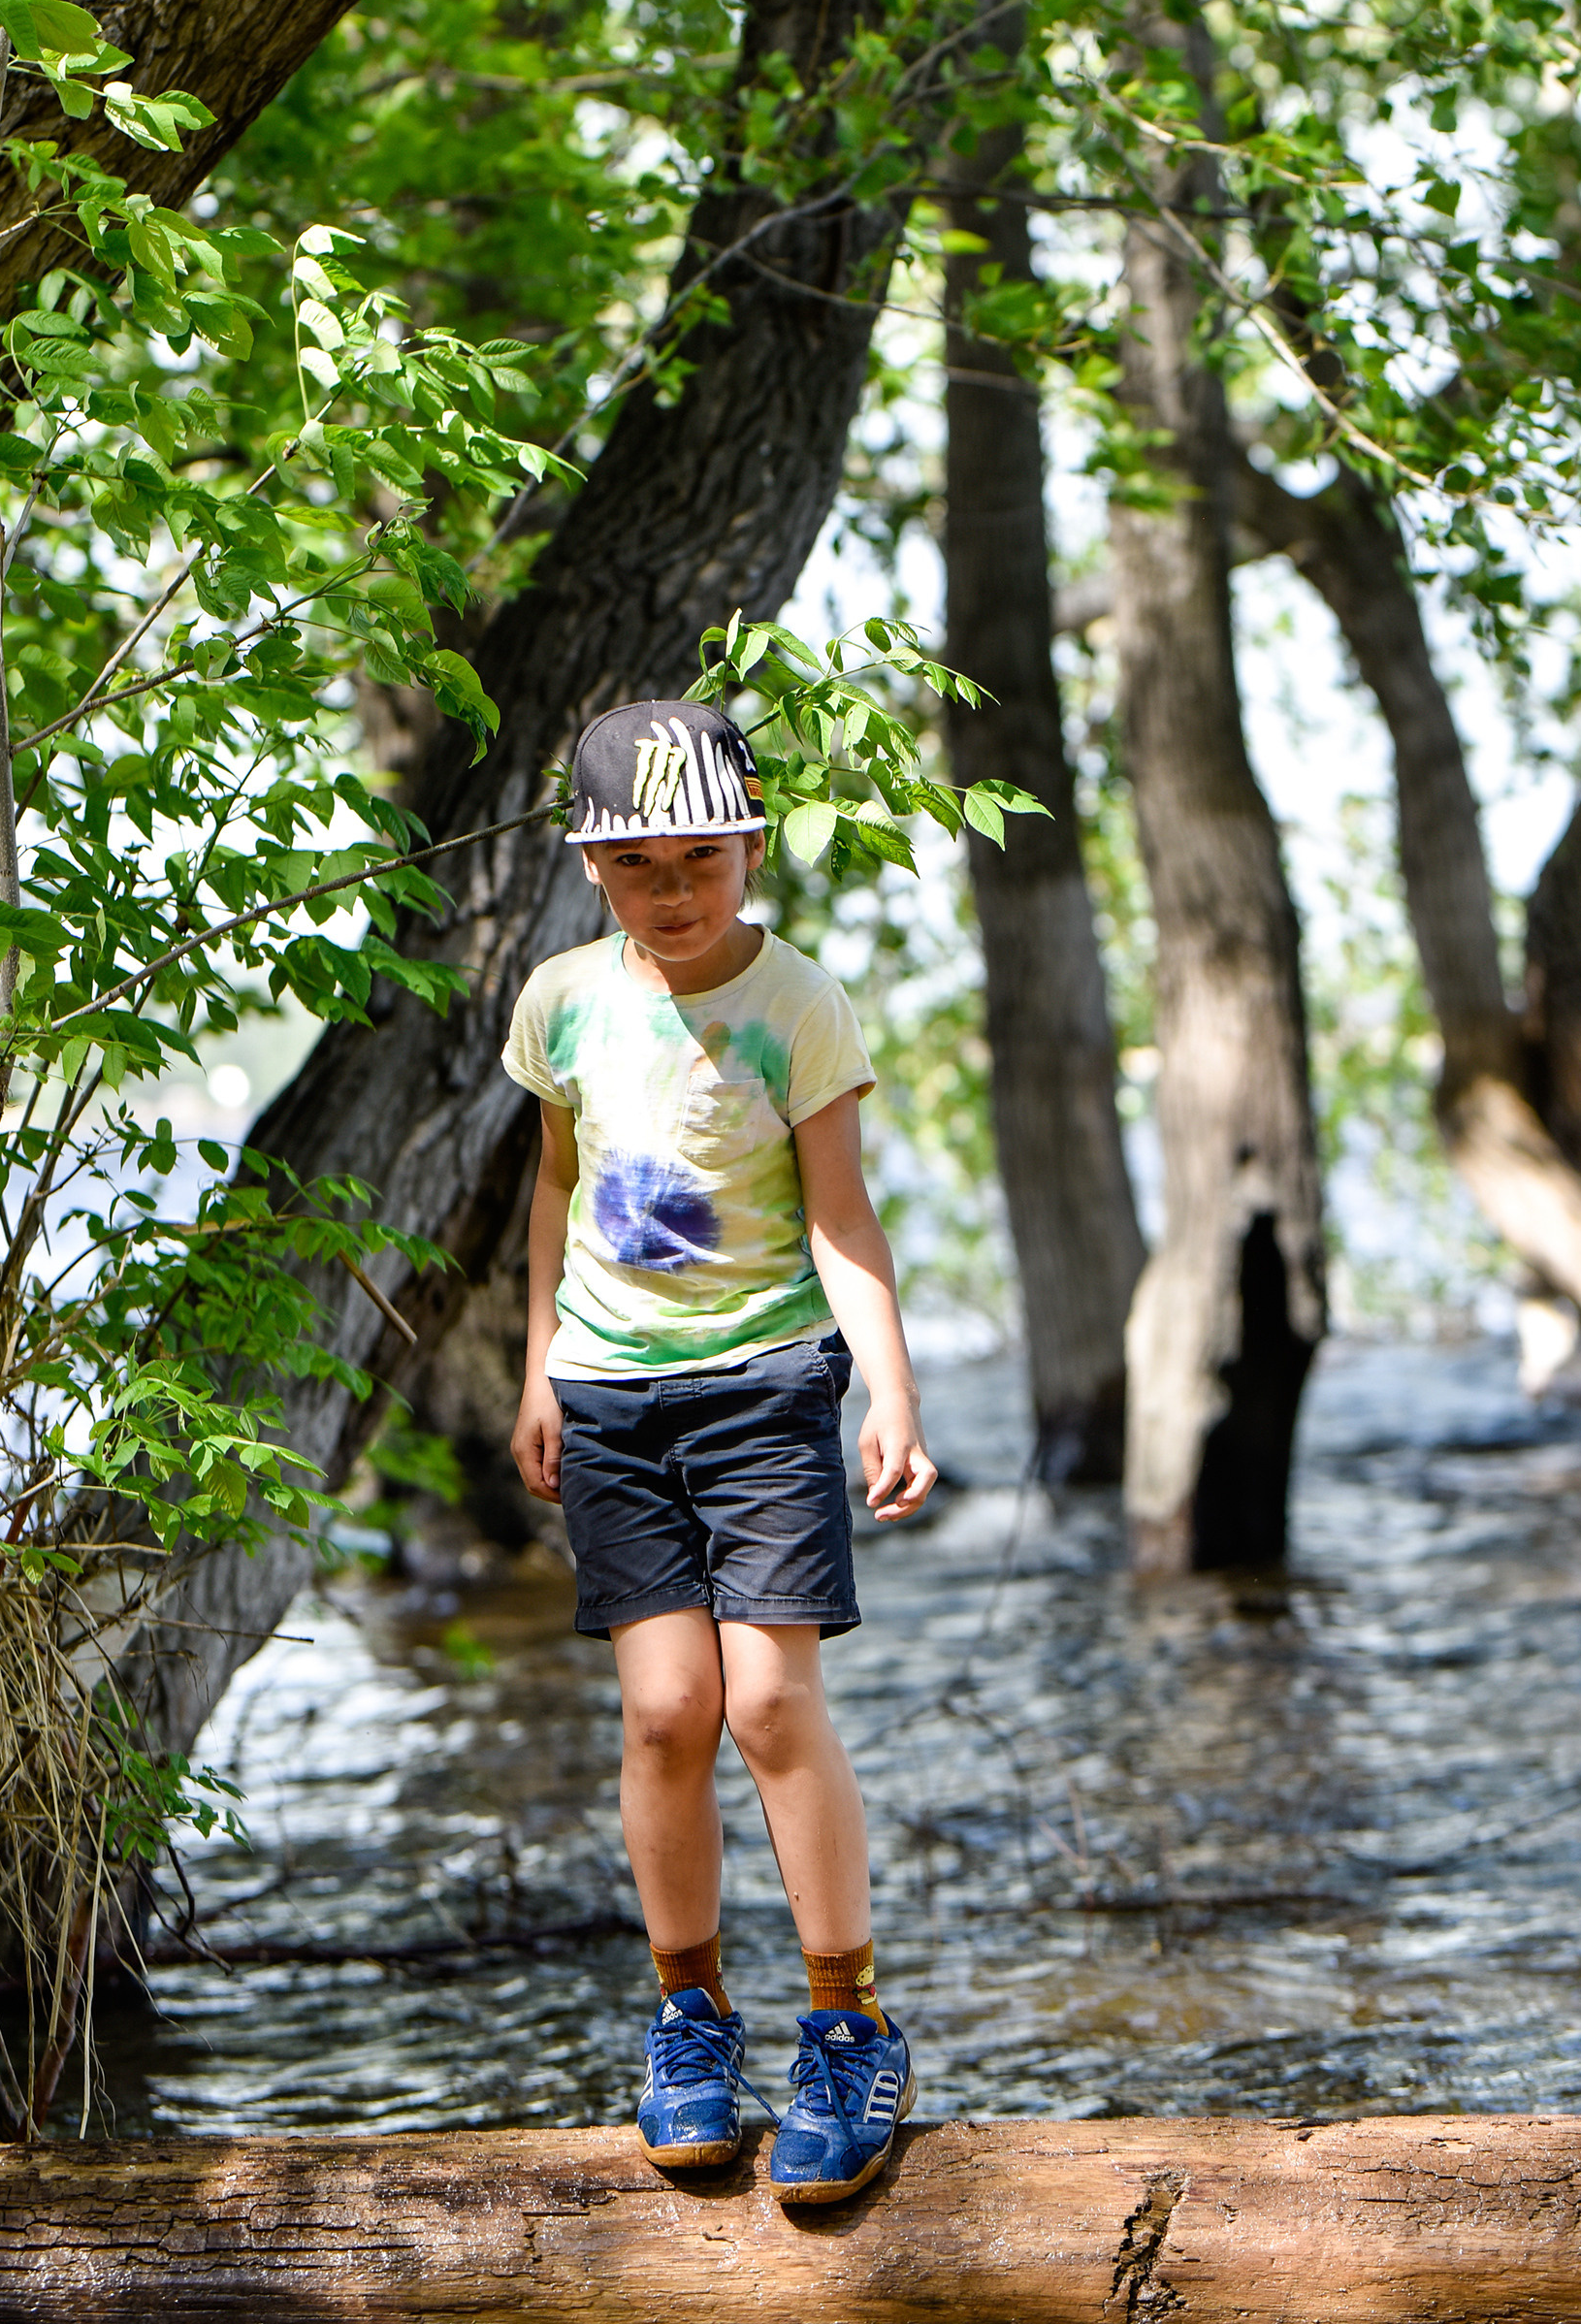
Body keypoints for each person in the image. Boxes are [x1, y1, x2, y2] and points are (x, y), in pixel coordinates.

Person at [506, 694, 937, 2206]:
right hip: (611, 1394)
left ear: (752, 844)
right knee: (665, 1711)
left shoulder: (801, 1002)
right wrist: (539, 1365)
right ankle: (690, 2018)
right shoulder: (561, 1000)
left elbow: (841, 1216)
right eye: (639, 868)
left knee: (766, 1699)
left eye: (702, 855)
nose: (675, 890)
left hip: (762, 1383)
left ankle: (848, 2019)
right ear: (590, 871)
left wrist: (887, 1391)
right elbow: (556, 1189)